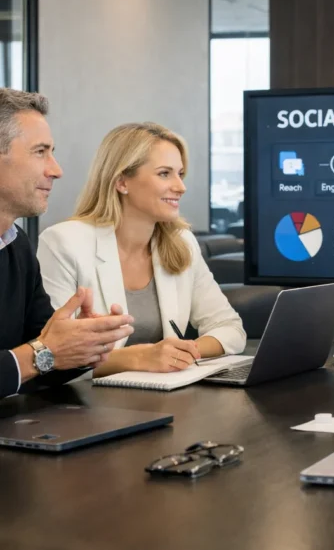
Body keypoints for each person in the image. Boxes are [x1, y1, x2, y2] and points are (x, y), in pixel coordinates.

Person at [37, 122, 246, 377]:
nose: (180, 186)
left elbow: (230, 328)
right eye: (164, 174)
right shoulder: (63, 242)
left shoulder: (181, 242)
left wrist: (182, 352)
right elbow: (55, 356)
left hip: (166, 392)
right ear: (122, 181)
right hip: (86, 398)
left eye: (180, 174)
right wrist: (139, 358)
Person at [0, 88, 136, 400]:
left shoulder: (18, 246)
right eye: (40, 152)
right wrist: (43, 353)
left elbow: (45, 355)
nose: (56, 170)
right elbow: (41, 353)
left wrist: (84, 345)